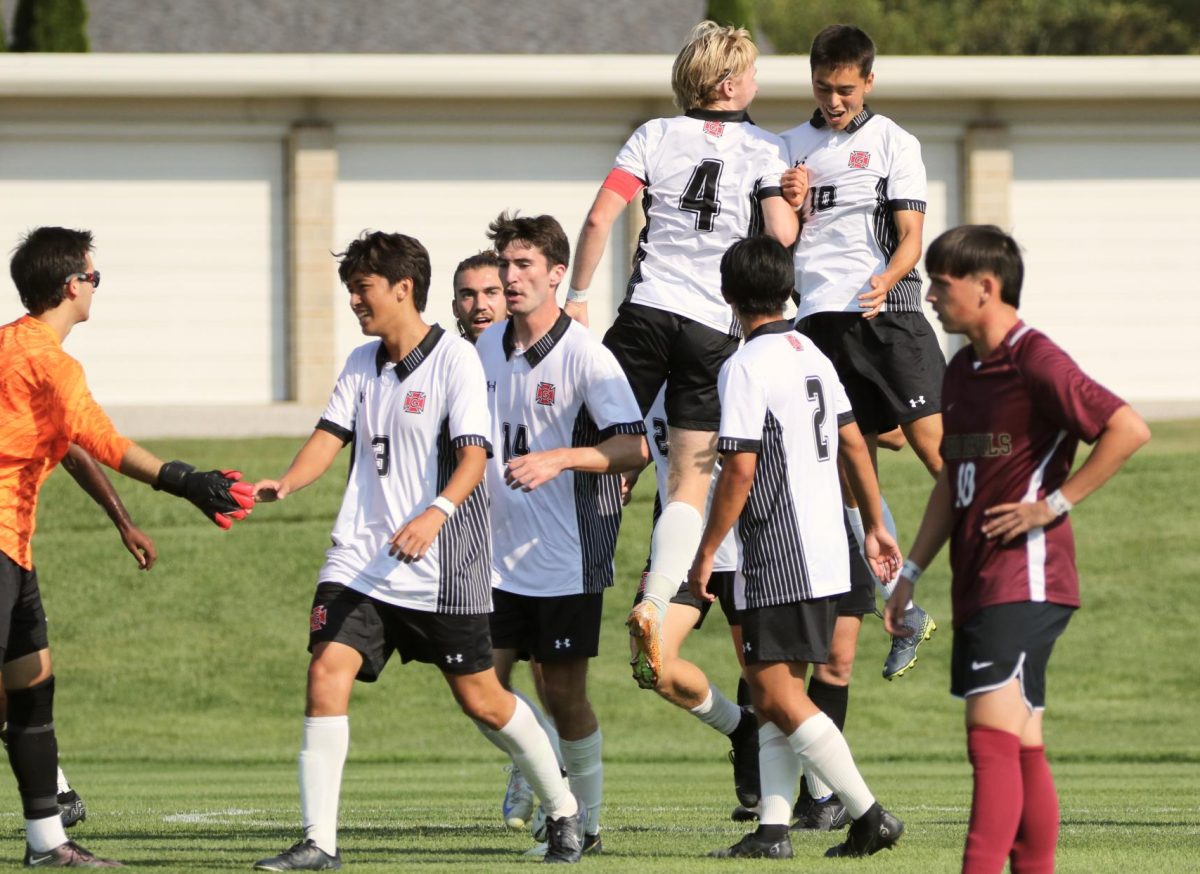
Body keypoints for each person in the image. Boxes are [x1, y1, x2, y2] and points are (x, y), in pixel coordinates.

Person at [251, 231, 584, 869]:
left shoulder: (455, 361)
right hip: (360, 562)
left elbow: (474, 456)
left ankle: (563, 809)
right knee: (326, 672)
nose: (354, 300)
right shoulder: (359, 363)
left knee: (482, 699)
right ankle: (319, 842)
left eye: (363, 287)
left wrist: (436, 513)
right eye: (350, 288)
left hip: (441, 566)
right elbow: (329, 437)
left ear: (403, 288)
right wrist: (286, 483)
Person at [884, 225, 1150, 874]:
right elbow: (953, 477)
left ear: (986, 286)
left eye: (939, 286)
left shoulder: (1036, 358)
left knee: (991, 745)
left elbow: (1126, 427)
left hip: (1024, 580)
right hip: (982, 581)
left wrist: (1052, 504)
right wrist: (912, 571)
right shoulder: (962, 370)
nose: (928, 299)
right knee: (1022, 743)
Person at [1, 225, 254, 867]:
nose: (95, 287)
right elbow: (103, 438)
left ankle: (48, 845)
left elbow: (74, 446)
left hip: (14, 549)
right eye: (94, 277)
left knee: (31, 688)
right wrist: (185, 480)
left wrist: (123, 520)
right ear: (70, 285)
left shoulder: (12, 345)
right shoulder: (50, 360)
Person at [567, 20, 798, 688]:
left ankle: (576, 580)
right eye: (751, 73)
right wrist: (791, 202)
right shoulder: (764, 145)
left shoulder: (654, 135)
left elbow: (598, 219)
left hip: (645, 314)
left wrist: (579, 295)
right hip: (711, 328)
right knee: (688, 484)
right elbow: (780, 239)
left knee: (592, 447)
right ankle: (655, 597)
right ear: (729, 84)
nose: (757, 82)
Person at [689, 236, 904, 861]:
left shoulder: (745, 365)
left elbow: (738, 471)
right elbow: (855, 445)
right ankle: (774, 830)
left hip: (777, 554)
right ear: (789, 289)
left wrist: (708, 552)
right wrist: (872, 523)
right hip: (829, 551)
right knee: (779, 690)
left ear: (728, 295)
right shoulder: (810, 351)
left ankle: (868, 814)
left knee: (775, 694)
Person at [475, 212, 647, 855]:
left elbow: (634, 446)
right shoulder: (486, 347)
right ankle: (549, 782)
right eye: (505, 264)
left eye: (524, 266)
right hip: (493, 556)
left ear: (555, 274)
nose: (510, 277)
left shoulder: (584, 353)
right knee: (481, 689)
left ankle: (588, 826)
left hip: (568, 553)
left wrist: (560, 458)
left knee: (563, 691)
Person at [779, 24, 939, 698]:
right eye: (823, 86)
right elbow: (781, 239)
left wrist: (885, 281)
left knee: (944, 457)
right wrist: (788, 202)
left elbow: (910, 238)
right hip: (818, 325)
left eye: (845, 88)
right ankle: (901, 610)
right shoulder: (791, 146)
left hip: (888, 316)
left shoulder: (894, 142)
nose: (834, 98)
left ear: (868, 81)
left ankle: (1011, 566)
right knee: (852, 478)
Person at [450, 249, 557, 831]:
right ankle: (534, 760)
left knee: (552, 681)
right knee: (479, 684)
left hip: (542, 544)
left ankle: (556, 795)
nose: (480, 303)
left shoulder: (542, 353)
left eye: (491, 291)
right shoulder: (445, 360)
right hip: (476, 545)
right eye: (468, 295)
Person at [627, 389, 759, 814]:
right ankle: (741, 728)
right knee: (652, 663)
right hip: (681, 548)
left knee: (765, 675)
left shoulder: (735, 370)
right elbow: (647, 442)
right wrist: (627, 469)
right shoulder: (646, 371)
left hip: (746, 544)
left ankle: (815, 796)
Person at [452, 250, 507, 341]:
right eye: (468, 295)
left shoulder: (530, 353)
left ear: (509, 301)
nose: (480, 305)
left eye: (491, 293)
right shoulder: (446, 354)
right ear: (455, 308)